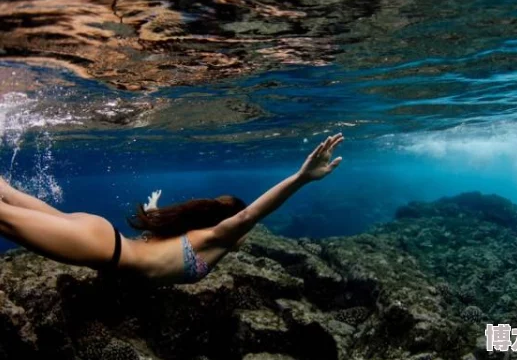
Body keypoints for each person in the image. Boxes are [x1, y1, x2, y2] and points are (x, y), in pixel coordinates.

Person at [0, 133, 344, 285]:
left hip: (100, 237)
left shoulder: (191, 236)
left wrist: (155, 211)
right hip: (100, 246)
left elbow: (162, 247)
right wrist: (301, 178)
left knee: (8, 194)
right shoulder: (214, 239)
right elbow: (250, 215)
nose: (248, 232)